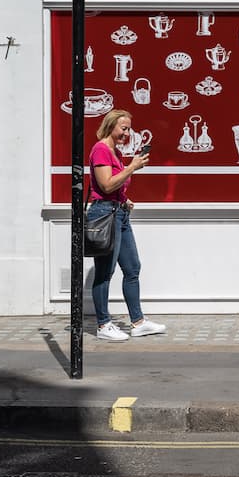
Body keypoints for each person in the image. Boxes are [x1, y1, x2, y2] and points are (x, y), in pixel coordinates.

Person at [88, 109, 166, 341]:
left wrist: (125, 199)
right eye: (123, 128)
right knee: (104, 272)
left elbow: (114, 188)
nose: (127, 132)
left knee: (132, 268)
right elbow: (106, 185)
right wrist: (132, 167)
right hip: (104, 214)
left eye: (129, 128)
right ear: (110, 126)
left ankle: (138, 322)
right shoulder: (101, 149)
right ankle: (103, 325)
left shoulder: (116, 152)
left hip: (119, 213)